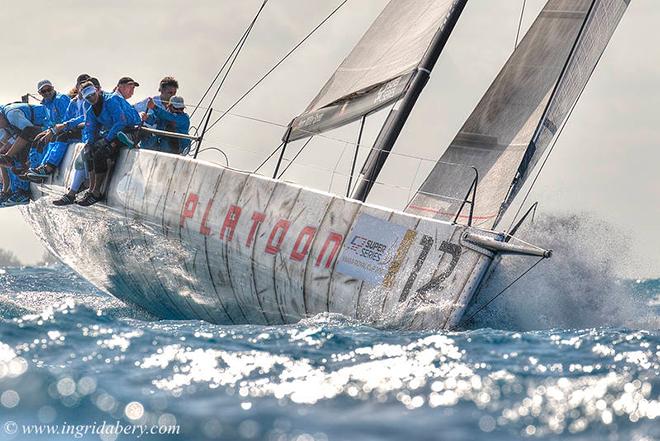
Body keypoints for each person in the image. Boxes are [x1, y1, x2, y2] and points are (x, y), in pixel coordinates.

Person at [76, 81, 140, 206]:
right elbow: (90, 128)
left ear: (97, 91)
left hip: (131, 130)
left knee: (101, 153)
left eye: (92, 94)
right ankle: (91, 190)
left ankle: (96, 193)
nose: (91, 98)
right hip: (116, 132)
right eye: (87, 97)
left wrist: (106, 140)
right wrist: (89, 143)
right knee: (89, 151)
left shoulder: (111, 100)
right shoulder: (91, 109)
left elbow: (121, 122)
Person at [0, 102, 52, 206]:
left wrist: (8, 155)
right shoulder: (4, 117)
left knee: (14, 154)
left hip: (49, 125)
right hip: (38, 128)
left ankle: (23, 192)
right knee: (9, 154)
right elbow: (14, 138)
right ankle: (14, 190)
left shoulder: (11, 114)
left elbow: (30, 131)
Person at [24, 80, 74, 182]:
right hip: (56, 128)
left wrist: (52, 131)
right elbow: (50, 122)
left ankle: (47, 168)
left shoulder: (61, 99)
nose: (47, 92)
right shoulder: (46, 104)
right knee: (38, 138)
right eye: (43, 91)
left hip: (67, 129)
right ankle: (35, 168)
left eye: (49, 89)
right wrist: (48, 131)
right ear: (40, 93)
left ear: (53, 88)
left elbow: (68, 118)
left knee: (55, 138)